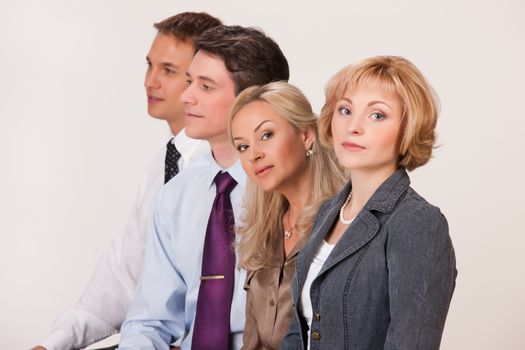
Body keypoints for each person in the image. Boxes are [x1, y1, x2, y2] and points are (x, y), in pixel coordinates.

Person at [33, 12, 222, 350]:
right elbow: (121, 277)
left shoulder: (226, 173)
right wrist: (52, 344)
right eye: (150, 66)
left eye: (168, 71)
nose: (151, 81)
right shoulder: (159, 169)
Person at [118, 25, 289, 350]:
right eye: (188, 82)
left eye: (205, 86)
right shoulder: (176, 194)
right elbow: (149, 321)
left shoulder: (288, 190)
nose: (186, 97)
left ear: (253, 100)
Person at [281, 56, 457, 350]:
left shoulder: (417, 223)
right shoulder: (326, 212)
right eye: (345, 110)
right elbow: (296, 333)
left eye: (377, 115)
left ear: (407, 128)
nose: (354, 126)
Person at [228, 81, 345, 349]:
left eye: (266, 135)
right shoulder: (263, 231)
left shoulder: (343, 225)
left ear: (306, 136)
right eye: (243, 147)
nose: (254, 155)